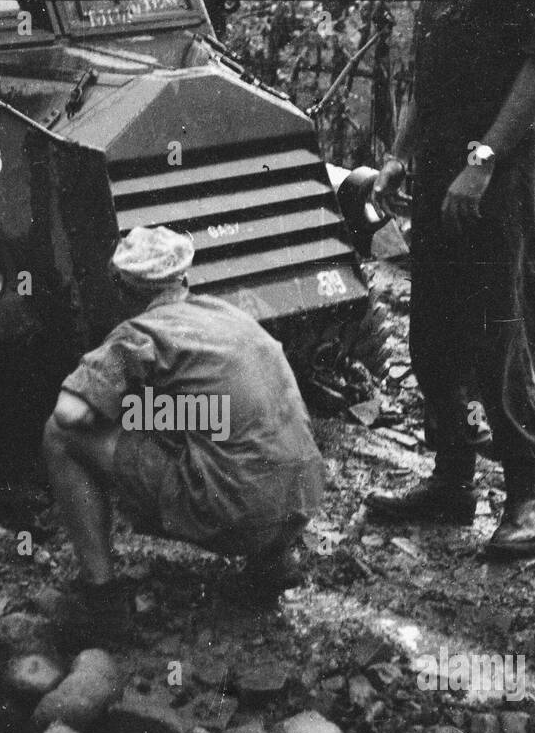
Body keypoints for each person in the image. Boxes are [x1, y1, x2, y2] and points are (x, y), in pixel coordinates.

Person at [43, 226, 325, 644]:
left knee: (57, 437)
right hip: (303, 497)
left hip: (238, 511)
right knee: (239, 427)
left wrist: (129, 410)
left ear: (122, 288)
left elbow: (69, 414)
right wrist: (160, 415)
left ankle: (100, 601)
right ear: (184, 278)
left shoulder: (140, 333)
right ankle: (274, 561)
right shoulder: (227, 314)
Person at [368, 0, 535, 557]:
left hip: (497, 174)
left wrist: (481, 163)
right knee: (433, 329)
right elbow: (426, 89)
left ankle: (524, 499)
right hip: (440, 169)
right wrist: (398, 155)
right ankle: (451, 480)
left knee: (499, 330)